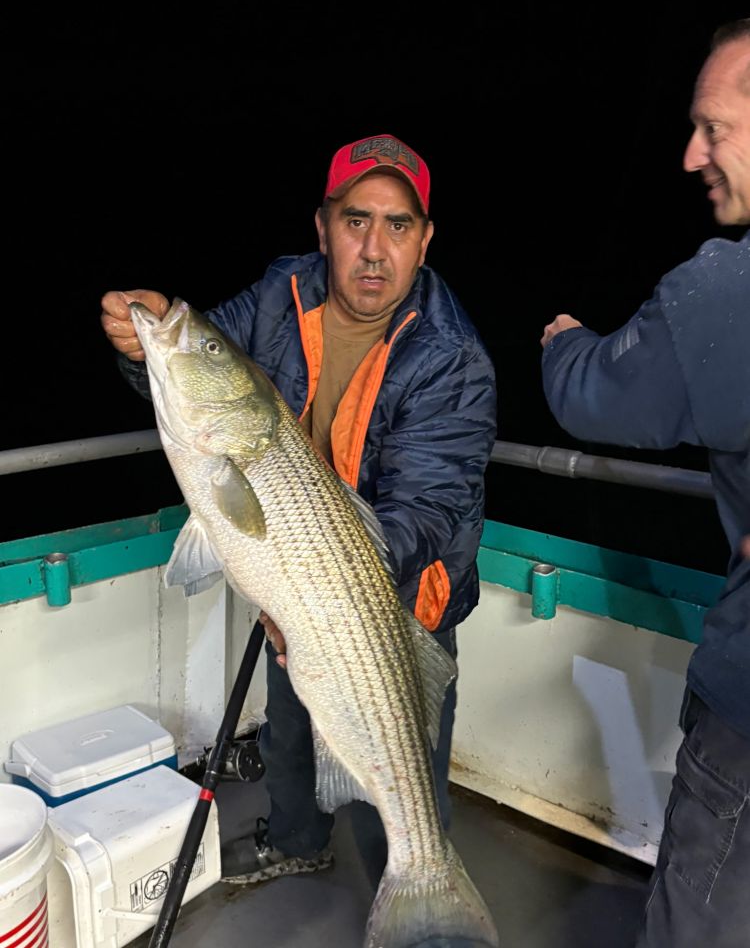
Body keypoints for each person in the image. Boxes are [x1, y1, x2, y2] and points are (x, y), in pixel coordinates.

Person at [101, 134, 497, 890]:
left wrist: (324, 590)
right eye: (355, 221)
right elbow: (200, 359)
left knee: (405, 774)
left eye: (399, 225)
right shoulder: (283, 293)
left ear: (425, 240)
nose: (374, 249)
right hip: (298, 572)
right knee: (289, 728)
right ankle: (296, 838)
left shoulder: (453, 358)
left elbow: (425, 513)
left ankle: (421, 886)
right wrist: (142, 345)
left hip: (398, 599)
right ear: (323, 227)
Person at [540, 21, 750, 947]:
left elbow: (595, 397)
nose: (689, 154)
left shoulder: (726, 291)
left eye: (713, 127)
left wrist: (560, 345)